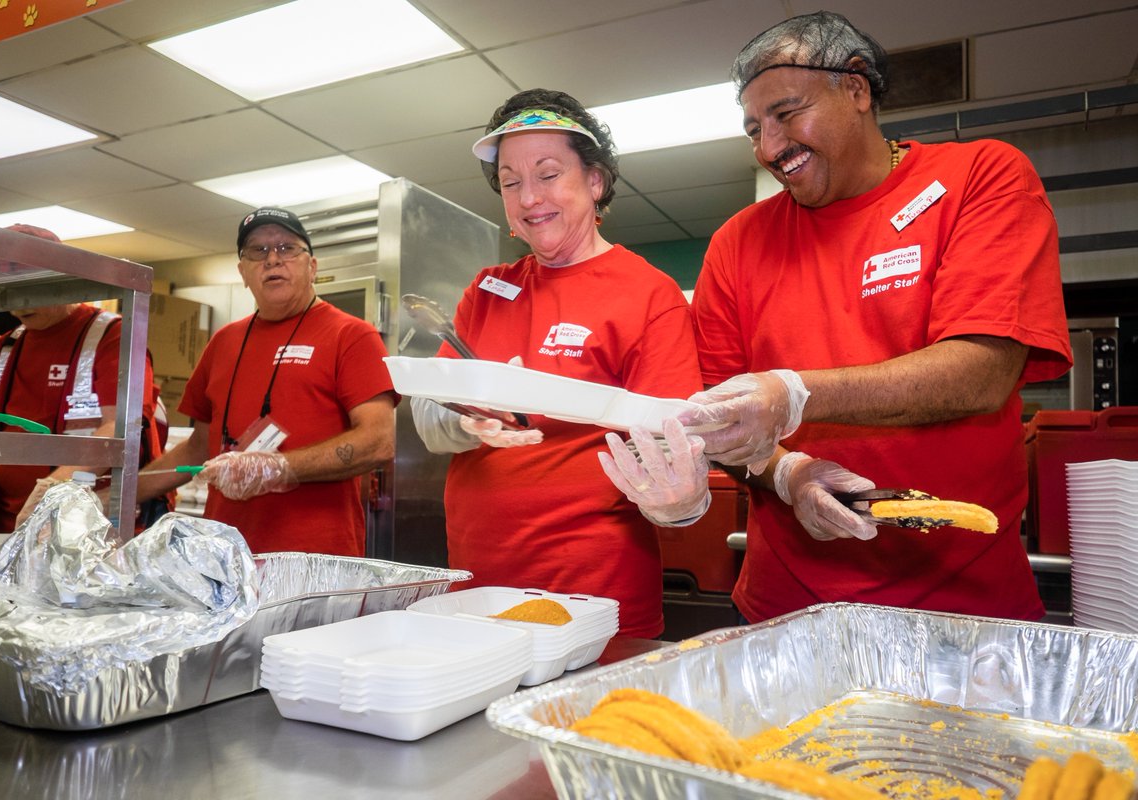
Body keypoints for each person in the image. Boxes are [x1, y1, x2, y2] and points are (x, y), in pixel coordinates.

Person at [614, 11, 1072, 625]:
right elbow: (723, 426)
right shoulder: (737, 242)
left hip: (963, 603)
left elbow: (984, 369)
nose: (770, 148)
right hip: (789, 606)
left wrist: (796, 394)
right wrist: (790, 474)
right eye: (753, 129)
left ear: (856, 88)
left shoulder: (979, 178)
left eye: (785, 113)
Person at [410, 89, 707, 639]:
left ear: (595, 181)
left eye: (548, 174)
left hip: (592, 592)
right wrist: (467, 418)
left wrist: (681, 502)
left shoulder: (649, 293)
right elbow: (429, 420)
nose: (529, 198)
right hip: (476, 586)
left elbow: (674, 450)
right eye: (510, 181)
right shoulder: (487, 290)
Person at [132, 207, 396, 556]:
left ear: (312, 266)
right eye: (257, 251)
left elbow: (378, 442)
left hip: (314, 560)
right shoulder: (224, 342)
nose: (272, 260)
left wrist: (278, 467)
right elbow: (198, 448)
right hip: (225, 558)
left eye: (287, 248)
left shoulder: (352, 335)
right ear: (243, 272)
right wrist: (118, 495)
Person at [0, 224, 166, 534]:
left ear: (61, 280)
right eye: (7, 291)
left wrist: (53, 487)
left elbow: (121, 428)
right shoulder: (3, 349)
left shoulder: (112, 336)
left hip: (84, 530)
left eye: (29, 288)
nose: (19, 305)